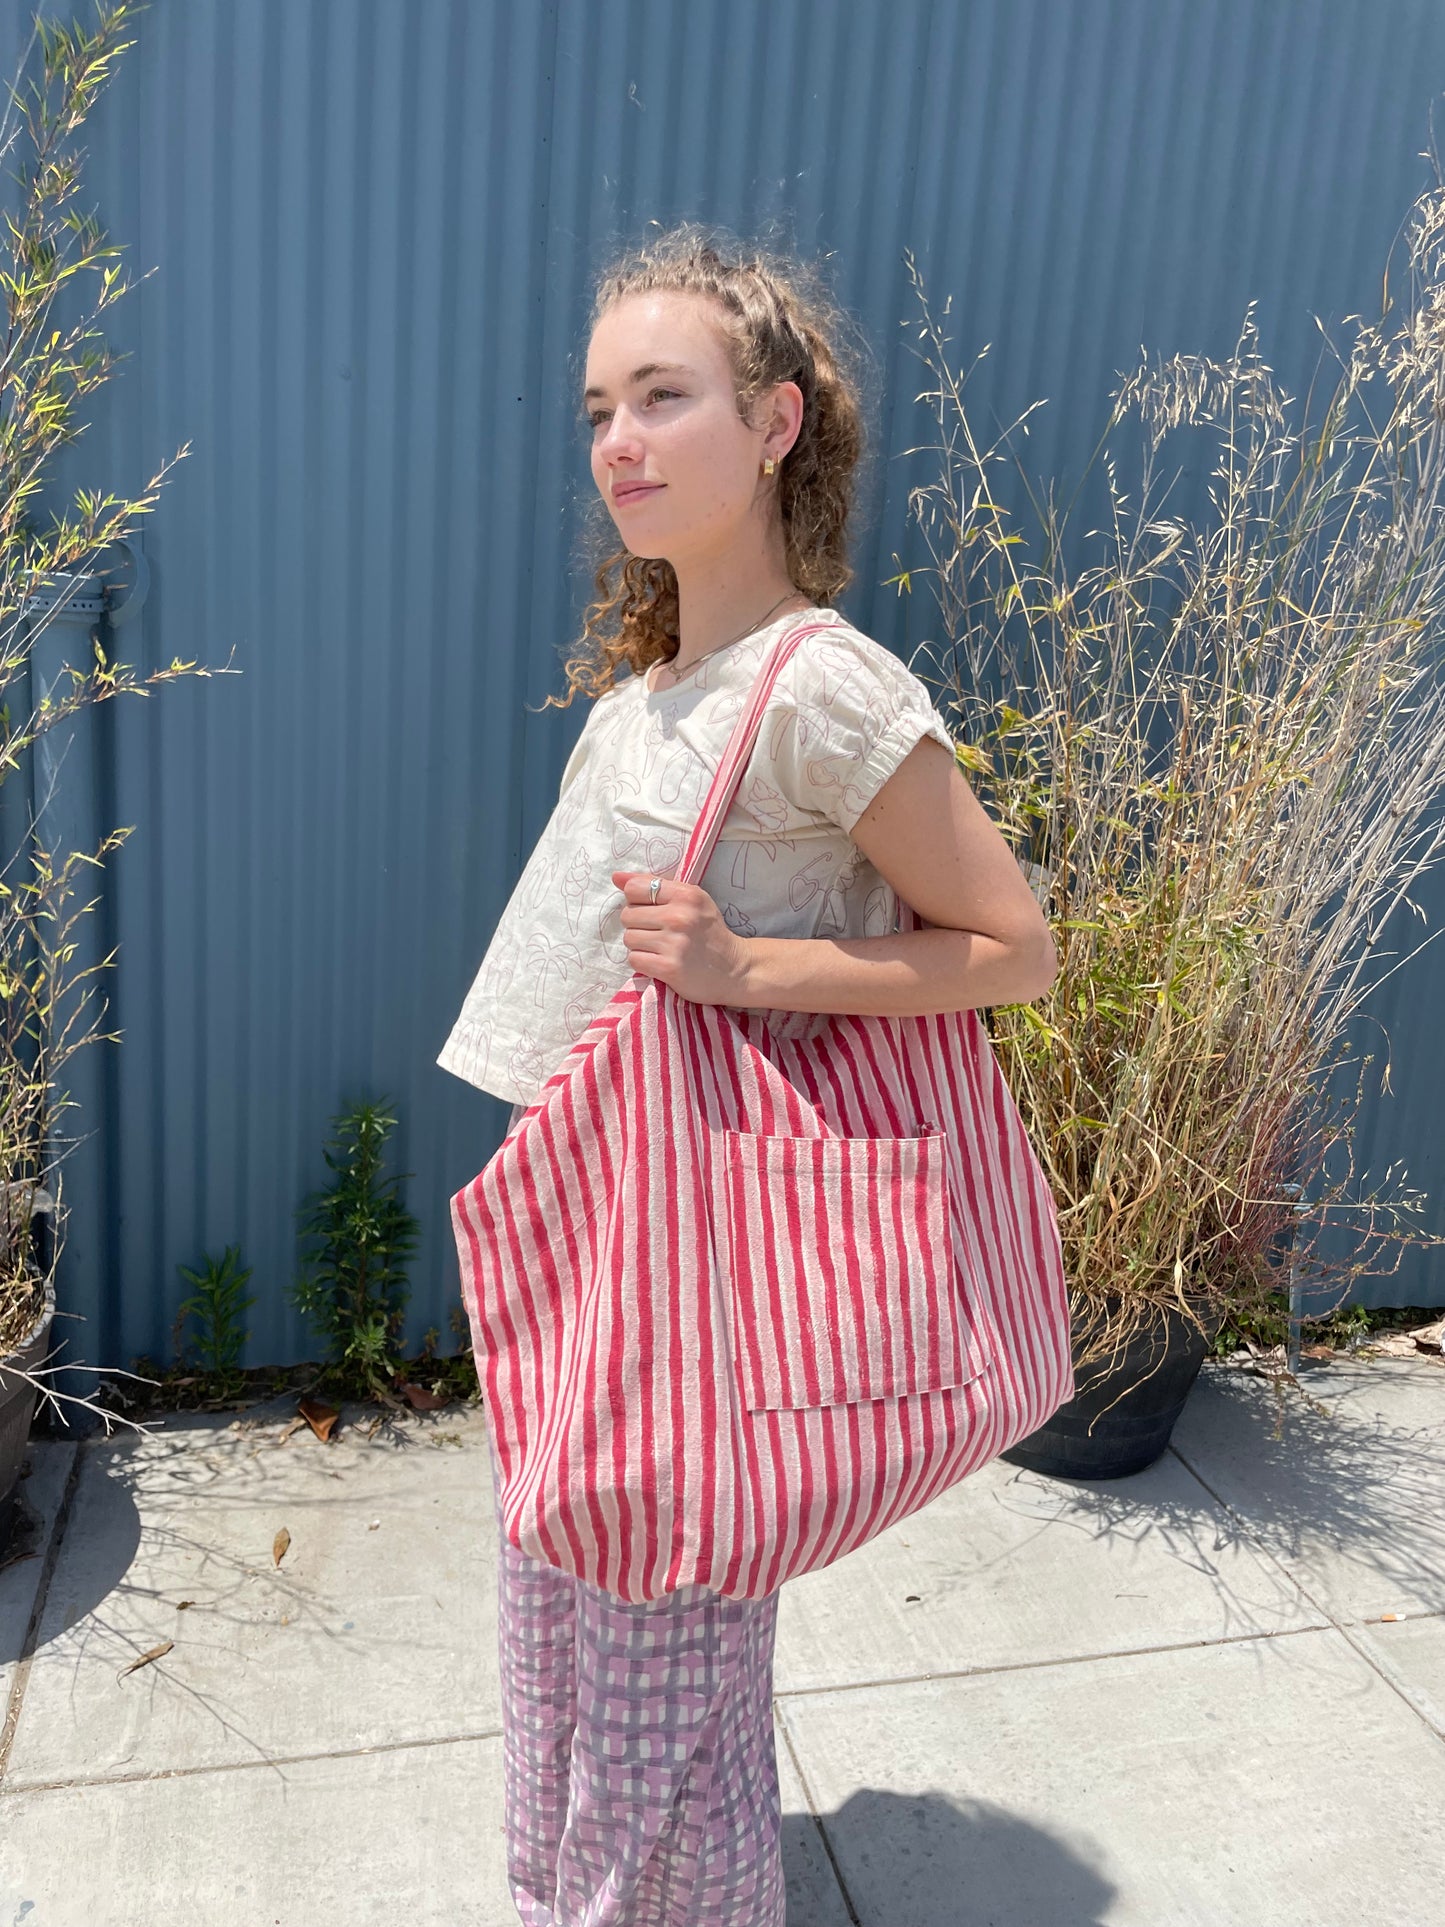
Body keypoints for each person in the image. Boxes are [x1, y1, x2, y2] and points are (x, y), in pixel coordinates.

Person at [437, 223, 1056, 1927]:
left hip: (692, 1289)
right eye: (594, 409)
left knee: (658, 1718)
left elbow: (1012, 945)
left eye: (662, 396)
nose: (616, 440)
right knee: (570, 1674)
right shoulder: (649, 696)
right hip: (591, 1255)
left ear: (776, 424)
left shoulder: (824, 690)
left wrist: (744, 970)